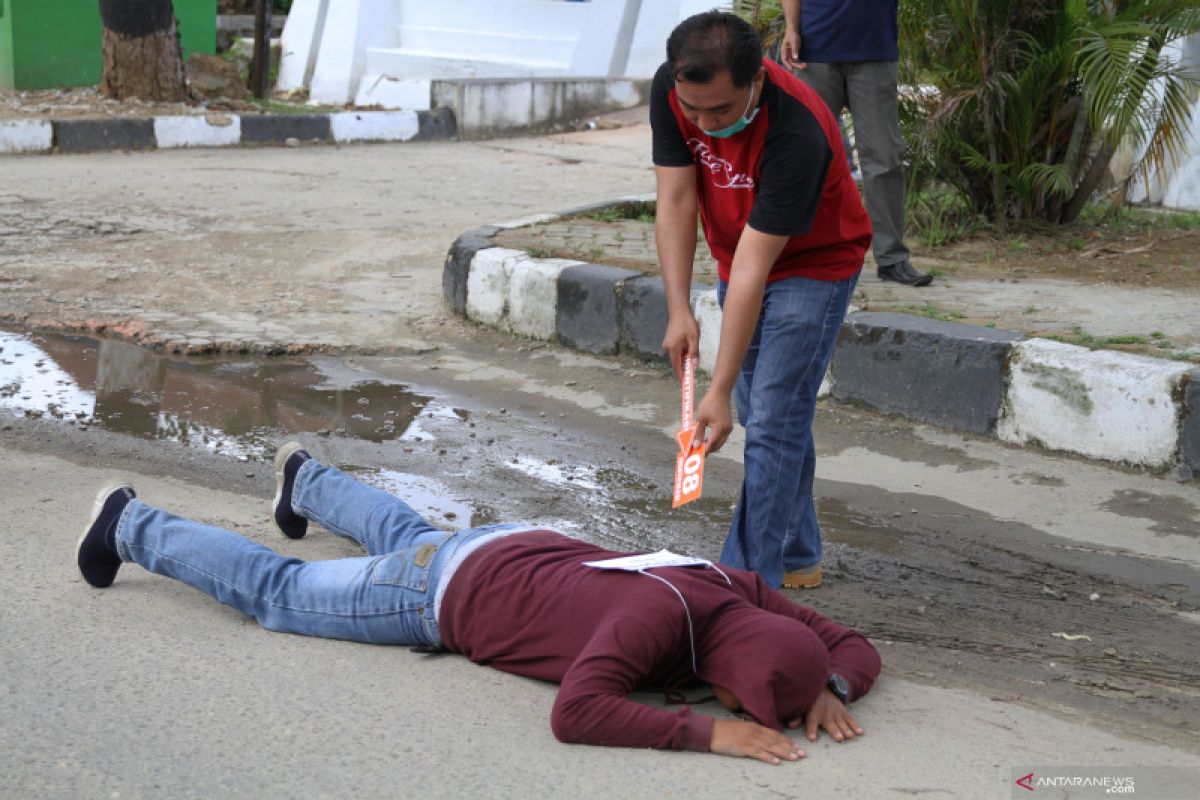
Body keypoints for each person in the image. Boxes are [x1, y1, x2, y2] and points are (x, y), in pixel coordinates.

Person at [76, 442, 882, 764]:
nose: (756, 709)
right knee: (280, 594)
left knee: (411, 533)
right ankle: (130, 525)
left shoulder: (730, 589)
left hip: (509, 546)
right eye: (759, 700)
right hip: (440, 593)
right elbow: (579, 712)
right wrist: (712, 735)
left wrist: (825, 681)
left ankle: (306, 481)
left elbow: (852, 643)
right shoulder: (653, 625)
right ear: (738, 671)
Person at [652, 11, 870, 589]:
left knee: (770, 417)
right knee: (771, 415)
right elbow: (675, 198)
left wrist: (716, 391)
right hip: (738, 256)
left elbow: (757, 265)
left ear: (758, 80)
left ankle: (745, 585)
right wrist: (680, 309)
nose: (701, 122)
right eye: (692, 109)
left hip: (814, 264)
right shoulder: (673, 89)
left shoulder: (797, 129)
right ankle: (797, 551)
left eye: (719, 112)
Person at [780, 0, 931, 287]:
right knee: (805, 156)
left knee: (884, 157)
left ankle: (891, 258)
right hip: (814, 50)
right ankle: (797, 253)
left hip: (874, 48)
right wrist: (791, 28)